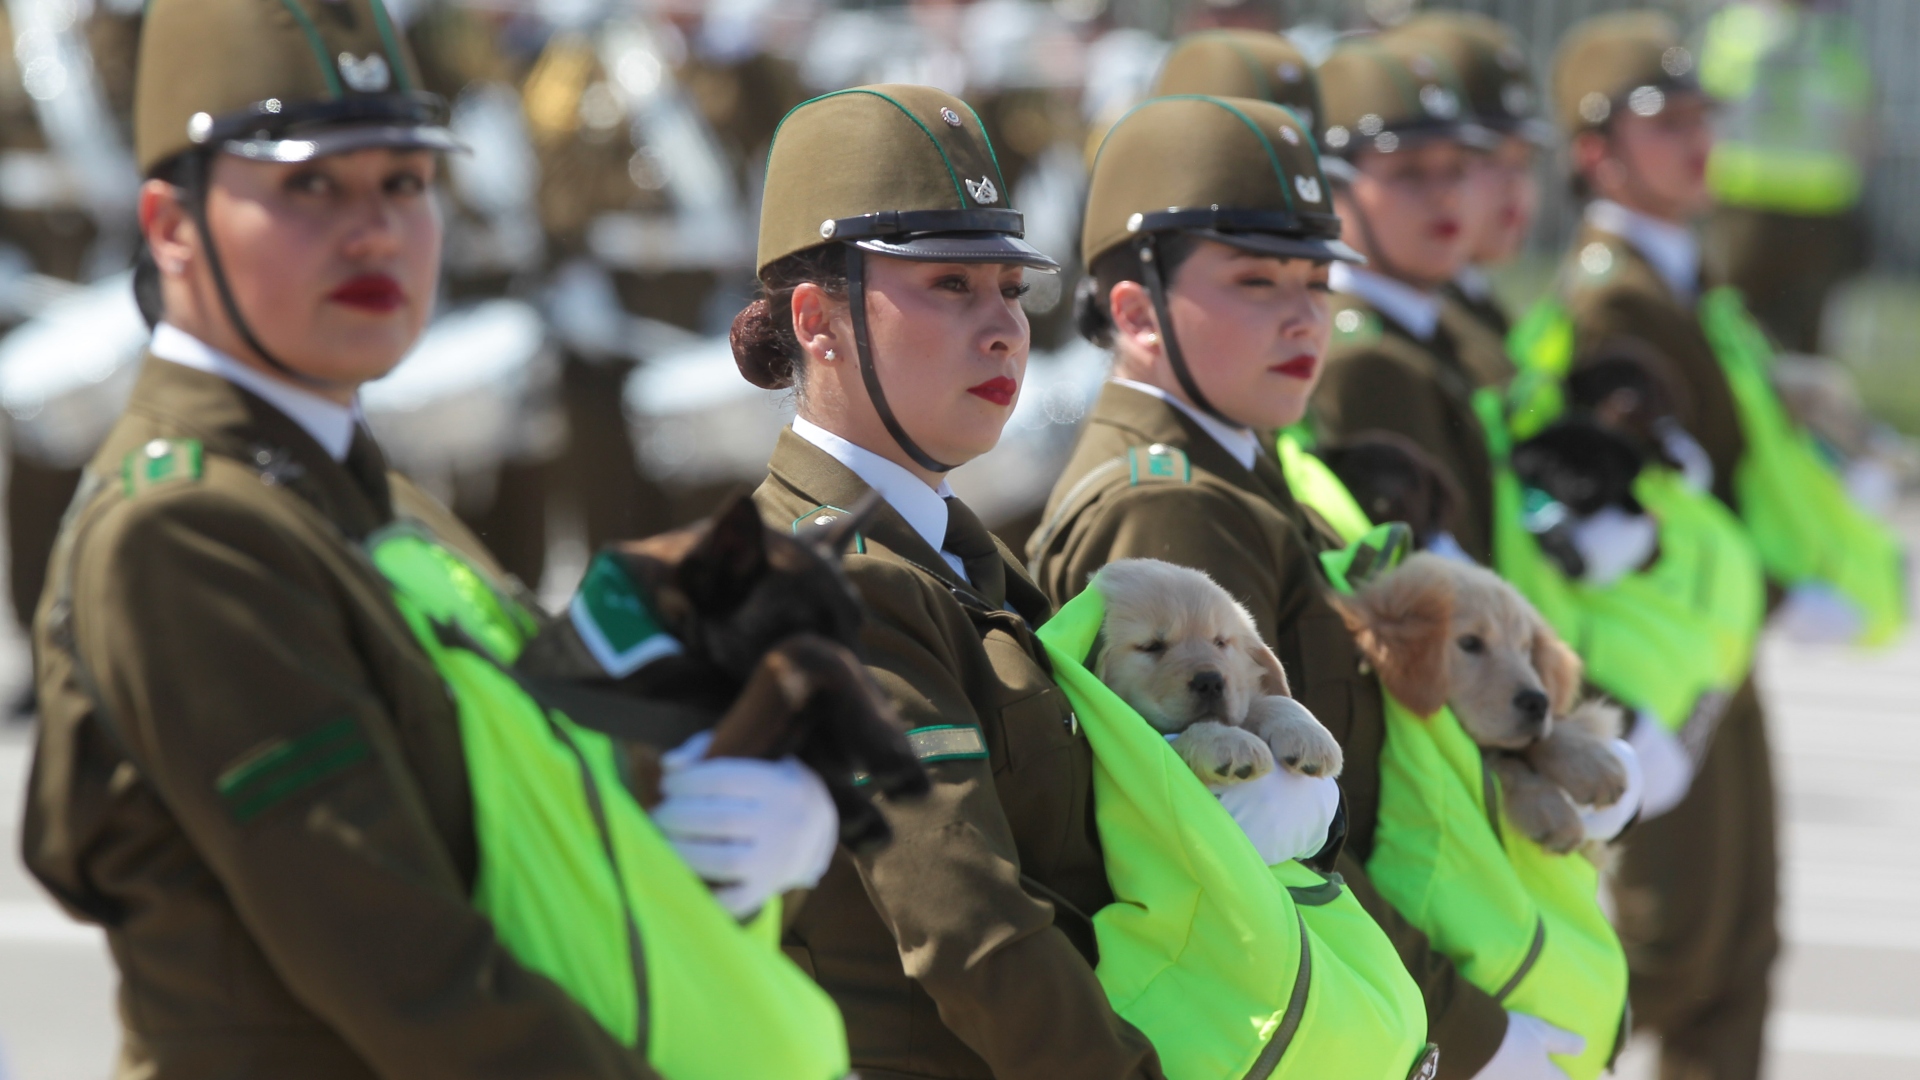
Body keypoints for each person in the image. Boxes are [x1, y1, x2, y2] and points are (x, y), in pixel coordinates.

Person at [18, 0, 847, 1075]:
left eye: (405, 182)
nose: (373, 229)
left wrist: (705, 779)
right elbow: (420, 977)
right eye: (309, 185)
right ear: (172, 227)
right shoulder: (188, 532)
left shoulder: (360, 489)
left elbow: (524, 774)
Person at [1025, 83, 1607, 1079]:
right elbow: (1252, 852)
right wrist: (1464, 1034)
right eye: (1256, 282)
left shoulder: (1246, 469)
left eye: (1315, 280)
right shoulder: (1170, 507)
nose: (1306, 317)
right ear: (1136, 310)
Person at [1547, 14, 1792, 1078]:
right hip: (1662, 656)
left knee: (1740, 943)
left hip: (1720, 643)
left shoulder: (1685, 274)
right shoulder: (1612, 297)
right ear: (1596, 150)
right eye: (1665, 120)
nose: (1698, 139)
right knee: (1671, 946)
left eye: (1704, 115)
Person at [1311, 35, 1503, 564]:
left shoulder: (1441, 326)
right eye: (1409, 173)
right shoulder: (1363, 360)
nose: (1443, 195)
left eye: (1458, 170)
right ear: (1332, 190)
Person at [1698, 0, 1873, 354]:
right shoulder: (1836, 35)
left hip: (1745, 201)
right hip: (1818, 204)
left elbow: (1705, 111)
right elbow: (1860, 121)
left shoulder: (1731, 29)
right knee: (1806, 332)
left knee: (1735, 324)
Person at [1394, 11, 1554, 340]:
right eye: (1485, 155)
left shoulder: (1473, 302)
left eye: (1524, 161)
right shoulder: (1409, 319)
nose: (1514, 184)